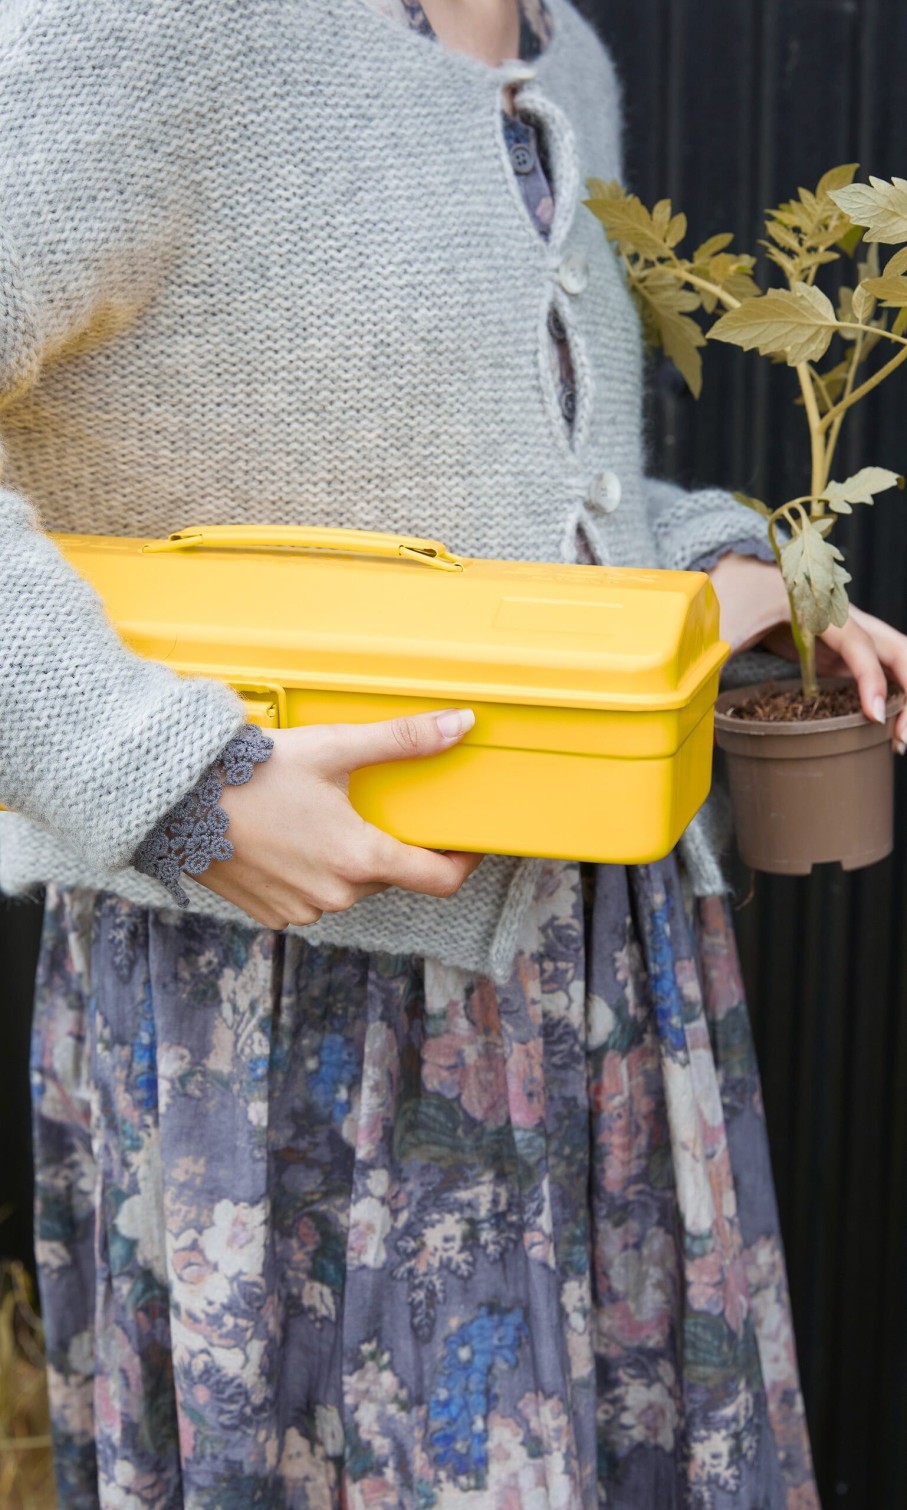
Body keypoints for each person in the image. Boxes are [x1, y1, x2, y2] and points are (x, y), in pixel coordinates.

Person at [3, 1, 906, 1505]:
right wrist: (168, 778)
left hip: (606, 984)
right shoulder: (156, 25)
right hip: (289, 1011)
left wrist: (745, 579)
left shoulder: (568, 61)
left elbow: (519, 506)